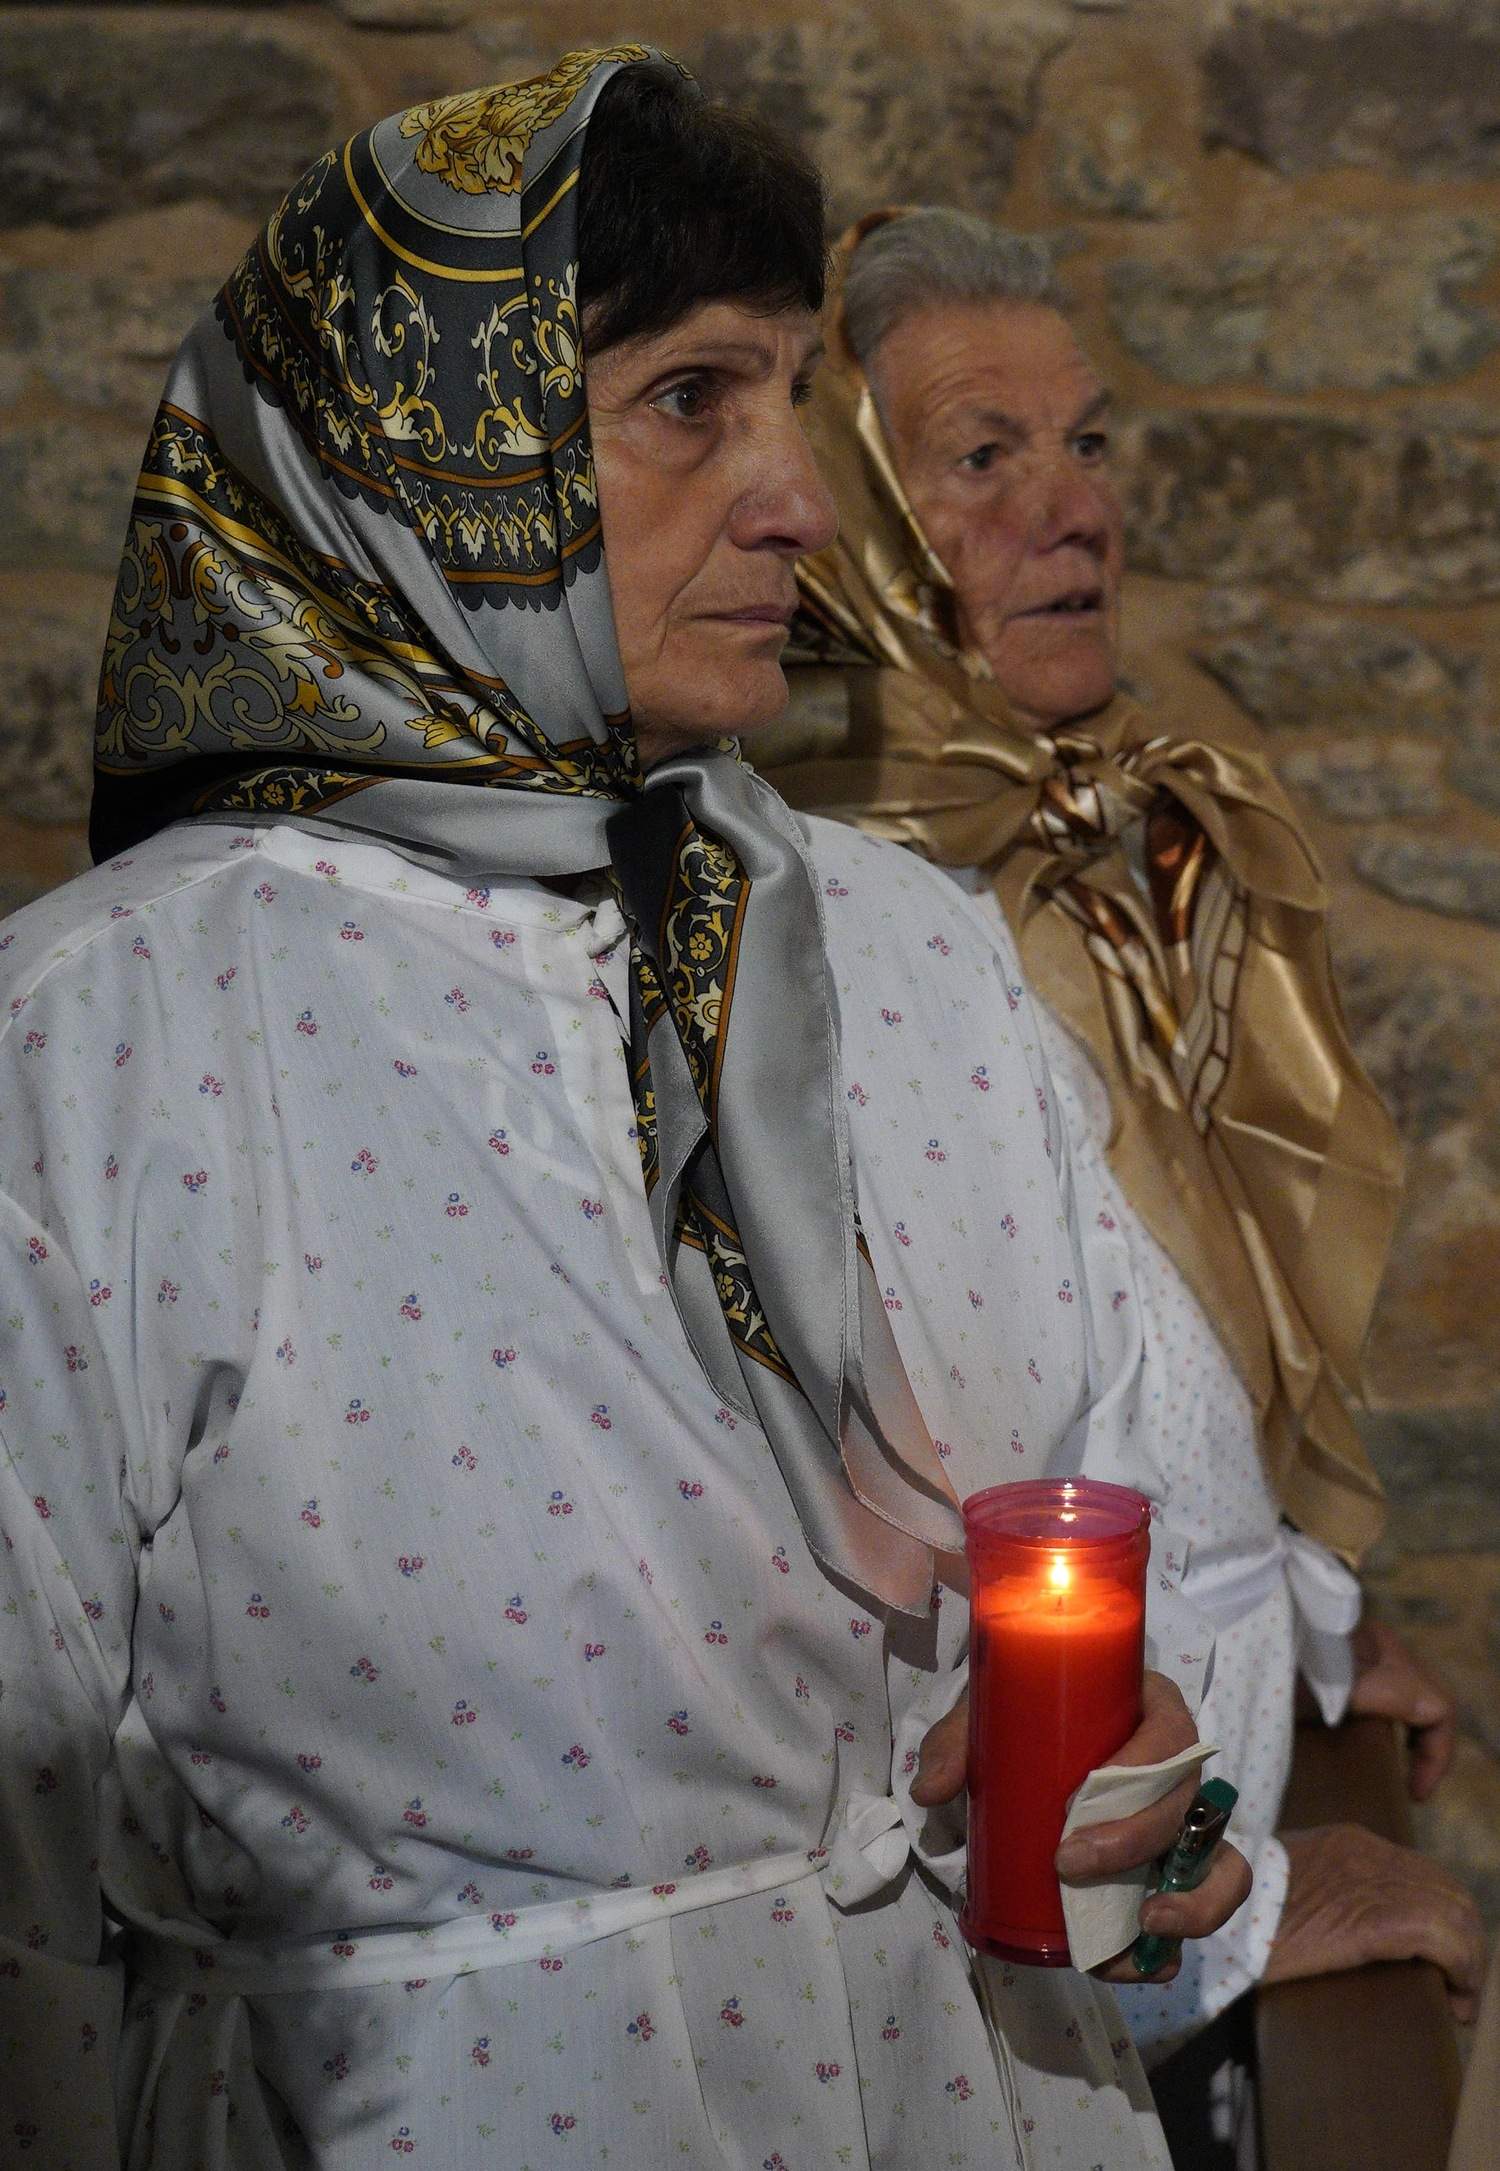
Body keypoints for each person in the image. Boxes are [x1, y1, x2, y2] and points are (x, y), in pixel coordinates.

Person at [0, 55, 1252, 2171]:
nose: (802, 504)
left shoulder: (904, 953)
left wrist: (1157, 1815)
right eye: (692, 401)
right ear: (427, 460)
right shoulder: (116, 1043)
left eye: (786, 398)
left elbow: (1153, 1516)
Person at [760, 202, 1487, 2142]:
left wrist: (1323, 1615)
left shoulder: (1144, 812)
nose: (1070, 507)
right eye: (982, 460)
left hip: (1214, 1792)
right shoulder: (826, 928)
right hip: (1048, 1889)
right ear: (847, 521)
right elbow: (888, 1591)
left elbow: (1191, 1318)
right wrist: (1220, 1944)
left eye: (1087, 442)